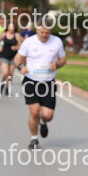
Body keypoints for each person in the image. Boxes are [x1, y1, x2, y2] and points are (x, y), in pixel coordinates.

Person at [14, 17, 66, 150]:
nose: (44, 35)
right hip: (31, 81)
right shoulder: (29, 42)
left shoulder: (57, 41)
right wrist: (21, 67)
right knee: (34, 112)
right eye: (42, 32)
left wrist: (57, 65)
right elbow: (18, 58)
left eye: (47, 33)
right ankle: (34, 139)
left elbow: (63, 59)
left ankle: (43, 121)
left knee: (48, 115)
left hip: (48, 82)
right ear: (37, 29)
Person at [0, 22, 22, 95]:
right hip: (4, 55)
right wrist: (0, 46)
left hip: (13, 57)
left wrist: (16, 47)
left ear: (15, 28)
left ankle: (7, 88)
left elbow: (21, 45)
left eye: (13, 27)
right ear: (7, 27)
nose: (11, 29)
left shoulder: (17, 35)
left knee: (10, 74)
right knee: (5, 72)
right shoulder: (3, 34)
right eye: (10, 27)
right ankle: (2, 83)